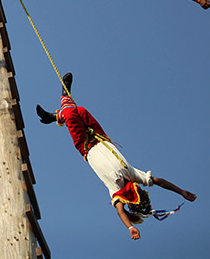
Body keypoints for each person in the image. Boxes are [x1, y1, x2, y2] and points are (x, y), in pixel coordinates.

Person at [36, 73, 196, 240]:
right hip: (100, 136)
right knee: (80, 111)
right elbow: (159, 181)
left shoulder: (116, 191)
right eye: (140, 189)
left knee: (70, 115)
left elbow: (120, 211)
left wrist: (130, 227)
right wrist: (181, 191)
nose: (139, 188)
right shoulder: (134, 175)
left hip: (85, 146)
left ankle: (63, 94)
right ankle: (52, 117)